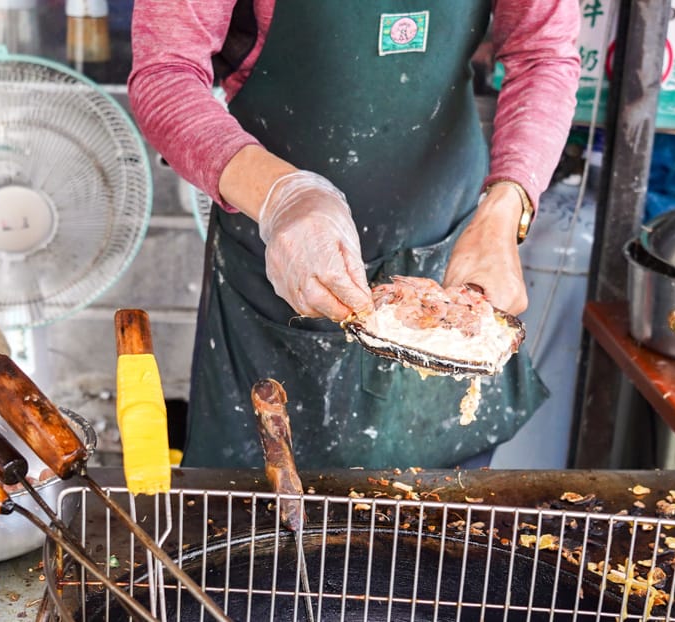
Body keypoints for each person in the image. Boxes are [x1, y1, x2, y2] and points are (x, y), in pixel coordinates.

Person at [128, 1, 581, 470]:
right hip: (278, 262)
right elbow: (166, 73)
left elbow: (543, 54)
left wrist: (507, 207)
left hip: (444, 254)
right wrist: (283, 196)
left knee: (435, 530)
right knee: (257, 521)